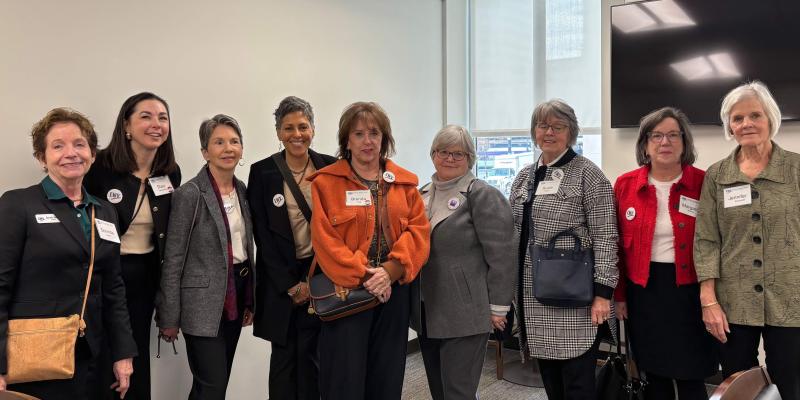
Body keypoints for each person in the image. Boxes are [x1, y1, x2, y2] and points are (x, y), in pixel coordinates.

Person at [0, 108, 137, 399]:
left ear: (92, 153)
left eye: (79, 144)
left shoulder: (104, 210)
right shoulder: (18, 205)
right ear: (41, 157)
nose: (71, 153)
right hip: (35, 352)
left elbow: (113, 287)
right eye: (58, 146)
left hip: (92, 353)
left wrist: (123, 353)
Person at [308, 101, 430, 400]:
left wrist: (390, 273)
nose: (367, 141)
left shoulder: (405, 183)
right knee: (344, 380)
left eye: (374, 133)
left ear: (384, 139)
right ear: (346, 140)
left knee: (387, 376)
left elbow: (419, 232)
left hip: (394, 293)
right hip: (348, 292)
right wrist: (368, 277)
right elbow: (326, 242)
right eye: (359, 133)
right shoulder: (326, 183)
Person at [694, 81, 800, 400]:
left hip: (791, 298)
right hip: (733, 302)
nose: (746, 124)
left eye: (755, 115)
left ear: (771, 119)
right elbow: (707, 240)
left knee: (790, 381)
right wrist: (708, 301)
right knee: (739, 383)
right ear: (730, 126)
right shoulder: (717, 175)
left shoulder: (796, 169)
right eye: (738, 118)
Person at [508, 99, 618, 400]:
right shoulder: (525, 176)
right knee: (553, 385)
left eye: (558, 126)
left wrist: (602, 295)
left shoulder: (589, 176)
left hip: (575, 301)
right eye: (543, 126)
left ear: (571, 132)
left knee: (578, 386)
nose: (549, 132)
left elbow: (607, 238)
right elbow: (513, 232)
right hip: (532, 298)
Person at [613, 107, 716, 400]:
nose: (665, 142)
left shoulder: (703, 182)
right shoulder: (625, 184)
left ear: (685, 142)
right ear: (645, 144)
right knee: (652, 370)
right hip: (643, 291)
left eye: (673, 135)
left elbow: (717, 241)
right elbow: (617, 246)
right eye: (656, 136)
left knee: (691, 372)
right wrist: (620, 296)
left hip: (690, 291)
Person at [83, 92, 180, 400]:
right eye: (146, 116)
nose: (156, 124)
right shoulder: (100, 168)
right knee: (105, 352)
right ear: (126, 125)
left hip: (145, 276)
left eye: (162, 118)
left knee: (134, 351)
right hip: (104, 276)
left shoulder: (170, 173)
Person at [411, 125, 516, 400]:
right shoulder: (421, 193)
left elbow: (502, 255)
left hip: (466, 311)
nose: (450, 158)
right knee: (439, 388)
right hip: (426, 309)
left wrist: (498, 308)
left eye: (458, 153)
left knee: (458, 391)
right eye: (443, 151)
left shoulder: (482, 194)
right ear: (433, 154)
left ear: (470, 158)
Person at [156, 114, 255, 400]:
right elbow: (173, 258)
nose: (228, 148)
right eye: (219, 142)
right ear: (204, 151)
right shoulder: (190, 194)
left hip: (237, 292)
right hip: (201, 304)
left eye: (234, 141)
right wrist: (169, 315)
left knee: (214, 386)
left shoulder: (243, 191)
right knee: (211, 384)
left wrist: (250, 299)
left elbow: (245, 251)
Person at [248, 96, 336, 400]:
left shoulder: (331, 167)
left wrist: (313, 282)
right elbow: (262, 235)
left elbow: (339, 229)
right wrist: (290, 285)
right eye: (288, 128)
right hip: (280, 278)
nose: (296, 134)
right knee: (284, 360)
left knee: (314, 358)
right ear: (278, 132)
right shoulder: (263, 172)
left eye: (303, 126)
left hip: (320, 274)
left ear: (313, 128)